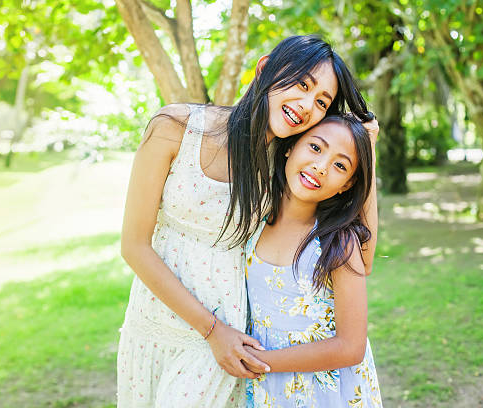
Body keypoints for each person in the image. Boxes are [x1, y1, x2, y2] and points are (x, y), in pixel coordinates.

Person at [118, 35, 379, 407]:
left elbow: (360, 257)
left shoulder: (285, 168)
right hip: (155, 322)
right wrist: (211, 330)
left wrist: (368, 152)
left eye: (321, 102)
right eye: (302, 84)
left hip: (226, 339)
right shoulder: (174, 127)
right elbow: (134, 245)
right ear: (264, 68)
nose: (306, 105)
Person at [243, 115, 382, 407]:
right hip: (265, 390)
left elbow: (351, 347)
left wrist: (264, 361)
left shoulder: (338, 243)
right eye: (316, 148)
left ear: (347, 184)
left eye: (340, 165)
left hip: (324, 393)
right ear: (290, 146)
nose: (321, 167)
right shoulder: (252, 220)